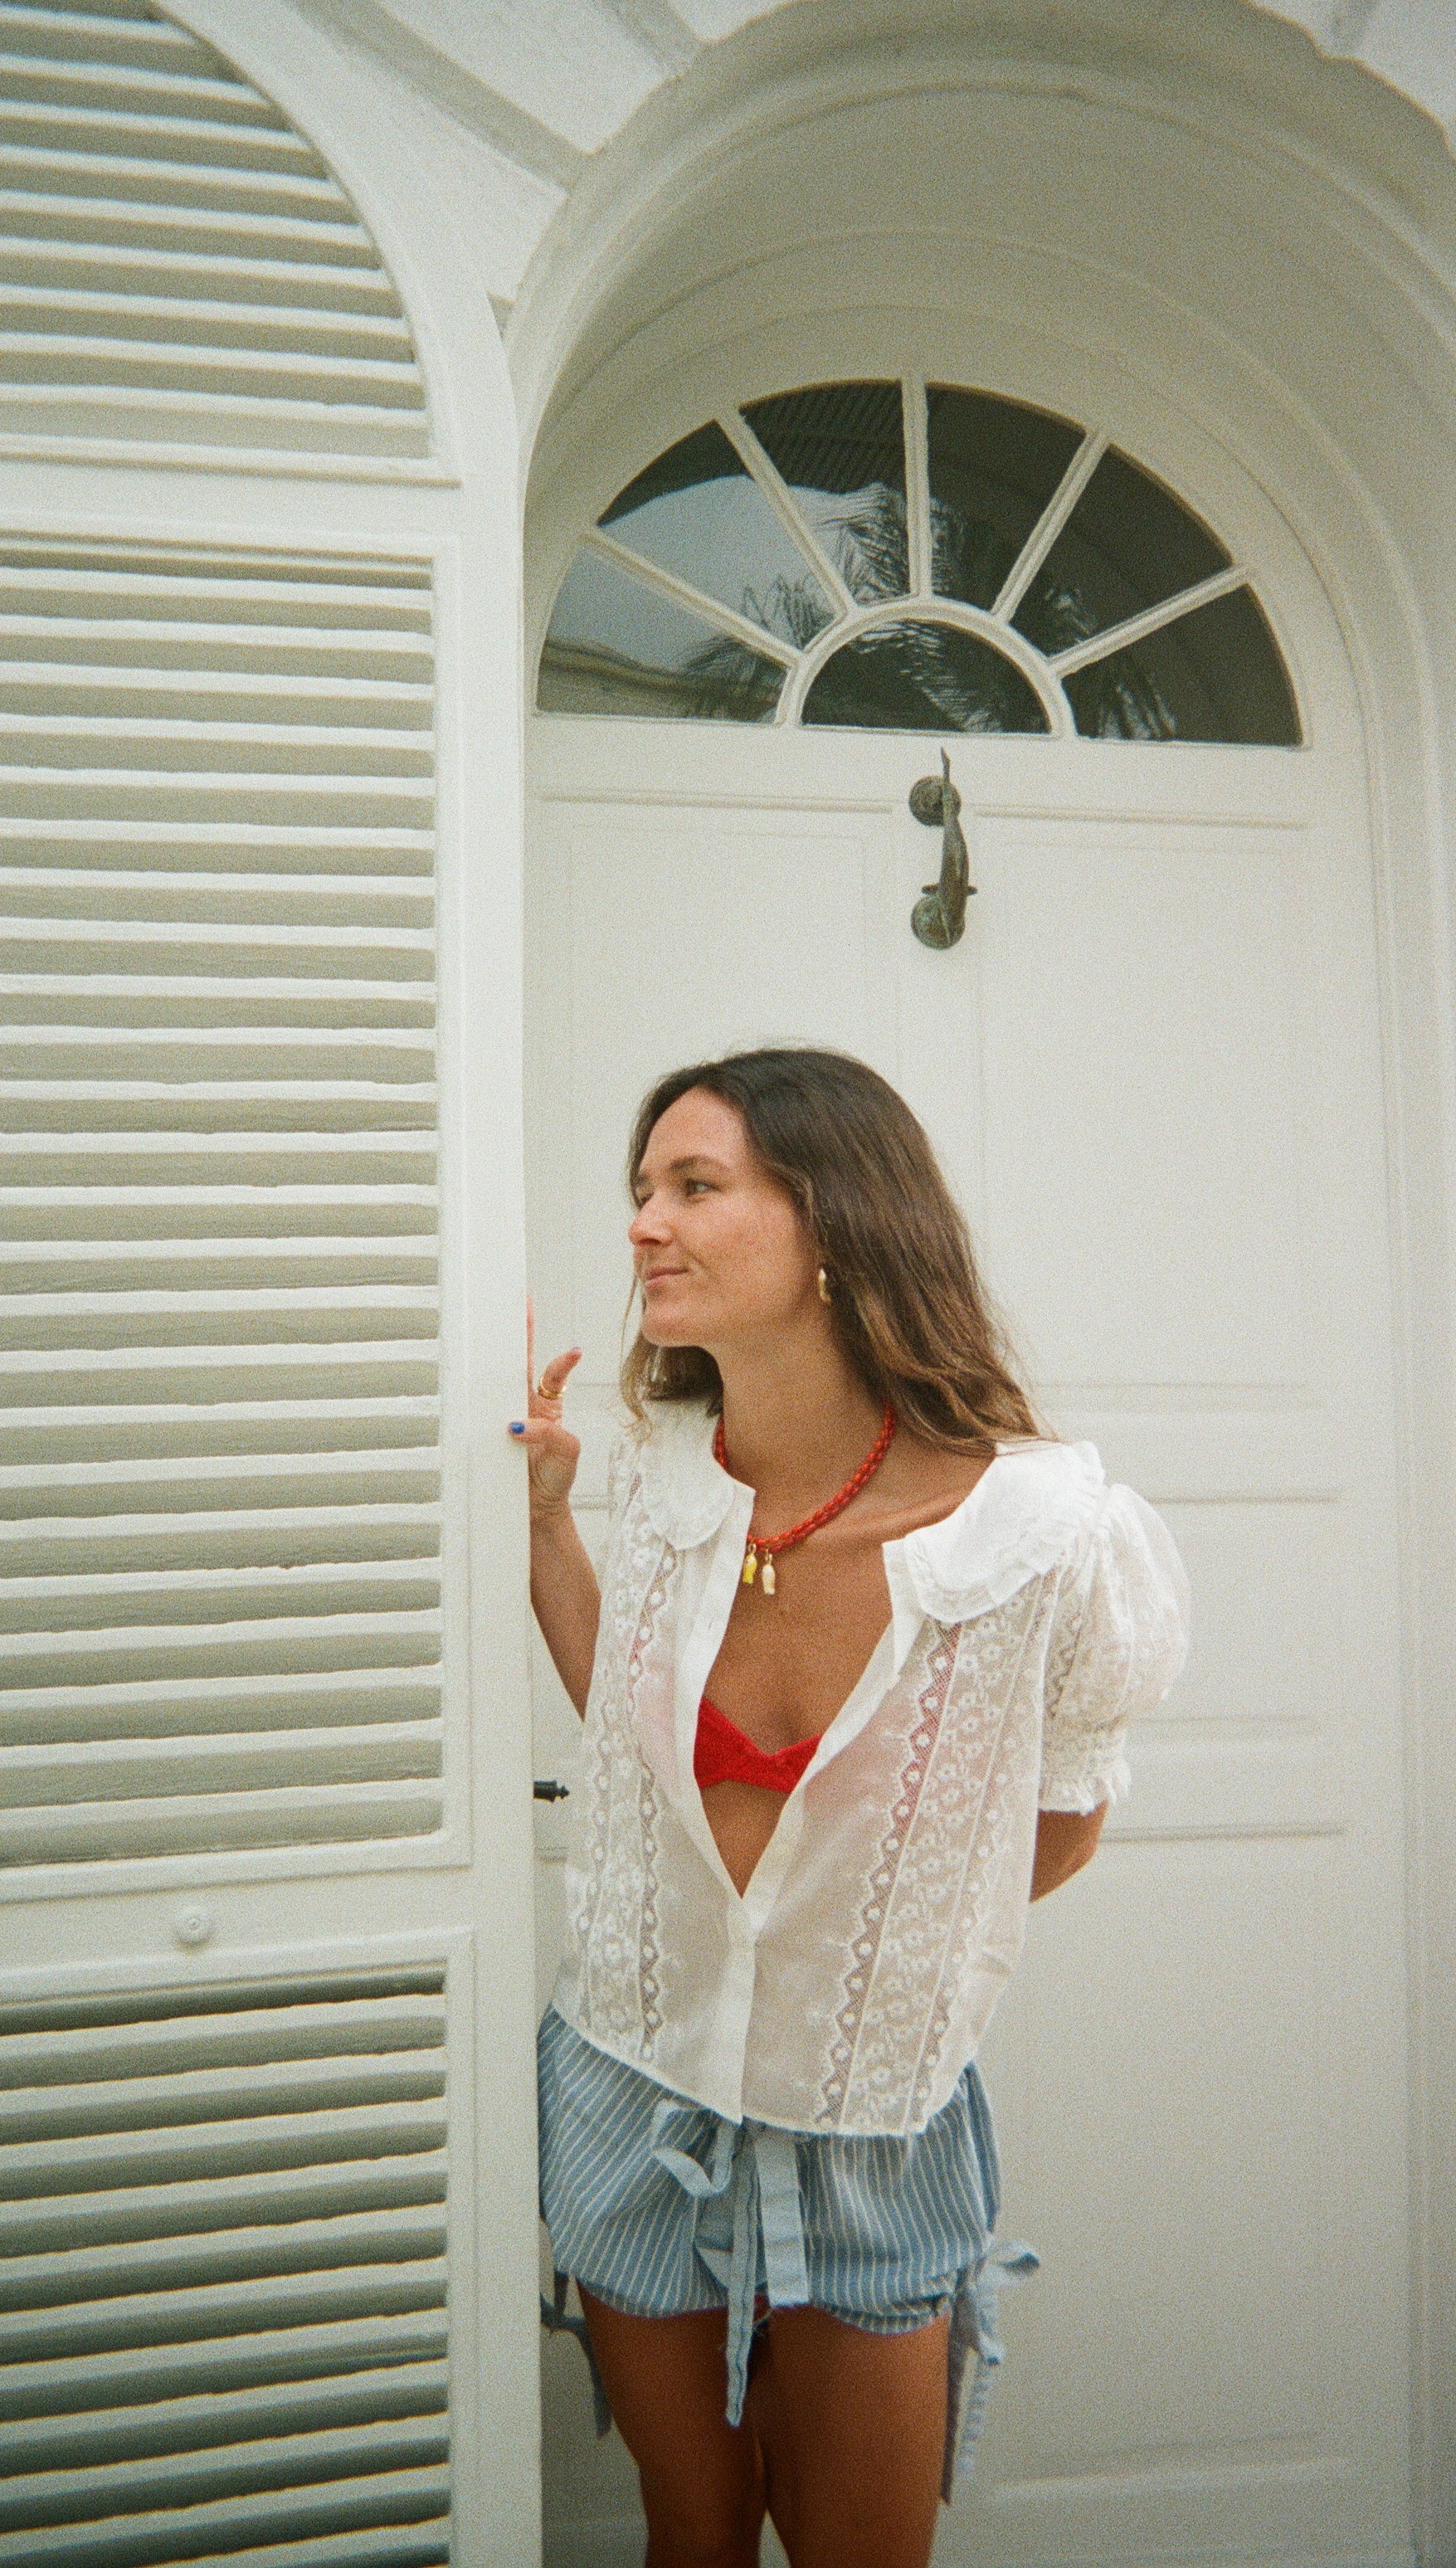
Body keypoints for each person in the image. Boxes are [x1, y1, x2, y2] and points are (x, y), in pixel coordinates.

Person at [513, 1046, 1190, 2568]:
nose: (642, 1226)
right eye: (639, 1191)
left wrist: (856, 1951)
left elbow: (1059, 1825)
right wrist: (549, 1522)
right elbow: (626, 1719)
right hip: (628, 2081)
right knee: (692, 2529)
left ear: (836, 1223)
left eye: (695, 1186)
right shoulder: (671, 1480)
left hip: (871, 2122)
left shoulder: (1046, 1536)